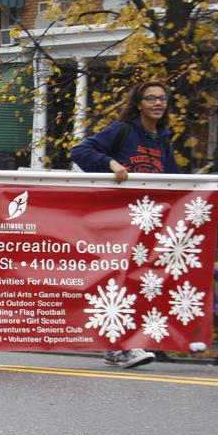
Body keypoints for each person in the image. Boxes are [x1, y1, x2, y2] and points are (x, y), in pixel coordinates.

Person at [70, 79, 180, 368]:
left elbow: (176, 182)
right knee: (119, 282)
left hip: (148, 225)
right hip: (118, 222)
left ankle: (121, 345)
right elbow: (79, 152)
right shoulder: (123, 131)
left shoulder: (164, 140)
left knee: (140, 283)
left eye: (162, 98)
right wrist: (112, 164)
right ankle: (118, 345)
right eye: (151, 98)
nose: (158, 103)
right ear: (139, 103)